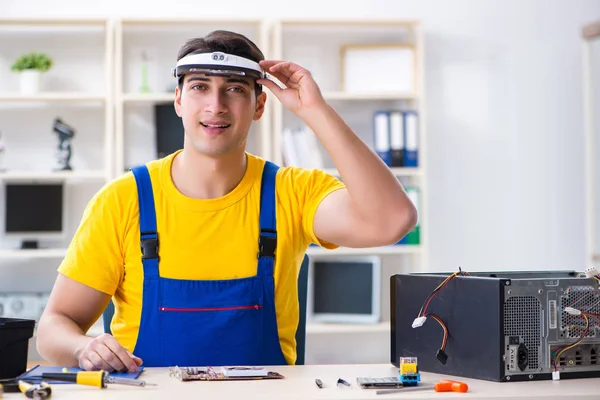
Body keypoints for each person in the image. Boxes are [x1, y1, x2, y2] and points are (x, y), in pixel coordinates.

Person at [36, 30, 418, 372]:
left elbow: (392, 220)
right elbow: (54, 327)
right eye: (200, 87)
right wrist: (84, 347)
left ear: (259, 105)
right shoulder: (123, 200)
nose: (215, 105)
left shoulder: (292, 192)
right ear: (178, 100)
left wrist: (313, 111)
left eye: (234, 89)